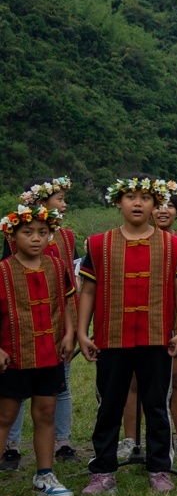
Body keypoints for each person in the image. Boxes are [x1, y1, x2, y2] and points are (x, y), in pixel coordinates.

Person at [77, 178, 177, 495]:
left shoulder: (173, 246)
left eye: (145, 197)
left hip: (157, 337)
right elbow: (88, 291)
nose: (138, 203)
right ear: (118, 202)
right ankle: (102, 471)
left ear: (156, 204)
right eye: (130, 196)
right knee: (109, 406)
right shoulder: (99, 244)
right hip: (111, 337)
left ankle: (159, 468)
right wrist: (81, 332)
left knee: (157, 405)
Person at [1, 175, 79, 470]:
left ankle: (50, 464)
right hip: (16, 345)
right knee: (8, 409)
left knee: (52, 403)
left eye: (42, 232)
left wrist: (70, 332)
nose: (36, 238)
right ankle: (12, 449)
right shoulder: (4, 269)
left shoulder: (60, 258)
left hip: (52, 341)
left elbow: (67, 296)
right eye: (28, 232)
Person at [139, 180, 177, 460]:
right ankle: (131, 440)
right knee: (135, 382)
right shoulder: (135, 240)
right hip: (144, 317)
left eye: (170, 206)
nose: (164, 211)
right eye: (160, 205)